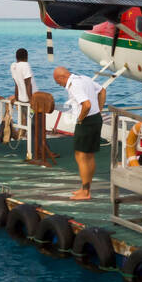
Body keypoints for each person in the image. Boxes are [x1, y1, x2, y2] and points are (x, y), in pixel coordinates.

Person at [52, 65, 105, 200]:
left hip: (86, 121)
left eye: (59, 82)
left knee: (80, 156)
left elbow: (86, 105)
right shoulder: (84, 78)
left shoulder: (74, 85)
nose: (60, 85)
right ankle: (85, 188)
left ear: (62, 77)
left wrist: (80, 119)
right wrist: (99, 109)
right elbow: (102, 90)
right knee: (89, 155)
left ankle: (85, 192)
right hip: (96, 118)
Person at [7, 48, 33, 139]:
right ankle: (29, 141)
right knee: (31, 121)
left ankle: (16, 135)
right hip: (27, 100)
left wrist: (17, 98)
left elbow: (17, 84)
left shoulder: (13, 66)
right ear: (26, 57)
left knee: (24, 121)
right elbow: (28, 84)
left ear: (16, 57)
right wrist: (31, 100)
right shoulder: (26, 65)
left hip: (21, 99)